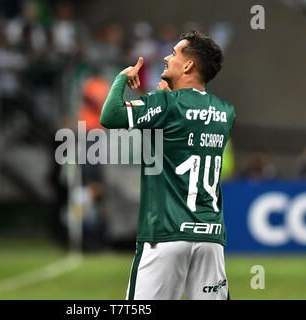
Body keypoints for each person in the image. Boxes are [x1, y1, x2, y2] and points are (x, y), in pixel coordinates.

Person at [100, 30, 235, 300]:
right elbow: (182, 136)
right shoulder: (225, 112)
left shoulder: (164, 104)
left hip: (166, 234)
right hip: (210, 237)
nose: (166, 57)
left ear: (188, 65)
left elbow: (111, 115)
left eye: (174, 53)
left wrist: (121, 79)